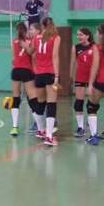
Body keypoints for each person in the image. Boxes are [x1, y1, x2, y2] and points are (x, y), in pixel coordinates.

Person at [31, 17, 61, 147]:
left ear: (42, 26)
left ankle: (40, 130)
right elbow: (55, 56)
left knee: (40, 104)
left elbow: (32, 53)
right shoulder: (55, 37)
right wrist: (57, 76)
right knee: (51, 104)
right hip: (50, 73)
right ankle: (49, 136)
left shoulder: (36, 38)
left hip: (39, 74)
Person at [8, 22, 34, 137]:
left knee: (16, 98)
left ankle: (14, 127)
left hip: (16, 71)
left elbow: (13, 59)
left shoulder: (14, 41)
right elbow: (32, 54)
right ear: (26, 30)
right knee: (32, 98)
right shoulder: (30, 40)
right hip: (27, 70)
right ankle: (39, 127)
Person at [70, 27, 95, 138]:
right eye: (77, 35)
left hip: (91, 78)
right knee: (78, 103)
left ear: (87, 36)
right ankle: (80, 127)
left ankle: (91, 123)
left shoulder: (94, 47)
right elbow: (73, 62)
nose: (78, 37)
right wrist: (71, 76)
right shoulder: (76, 47)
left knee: (92, 104)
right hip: (80, 77)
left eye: (81, 35)